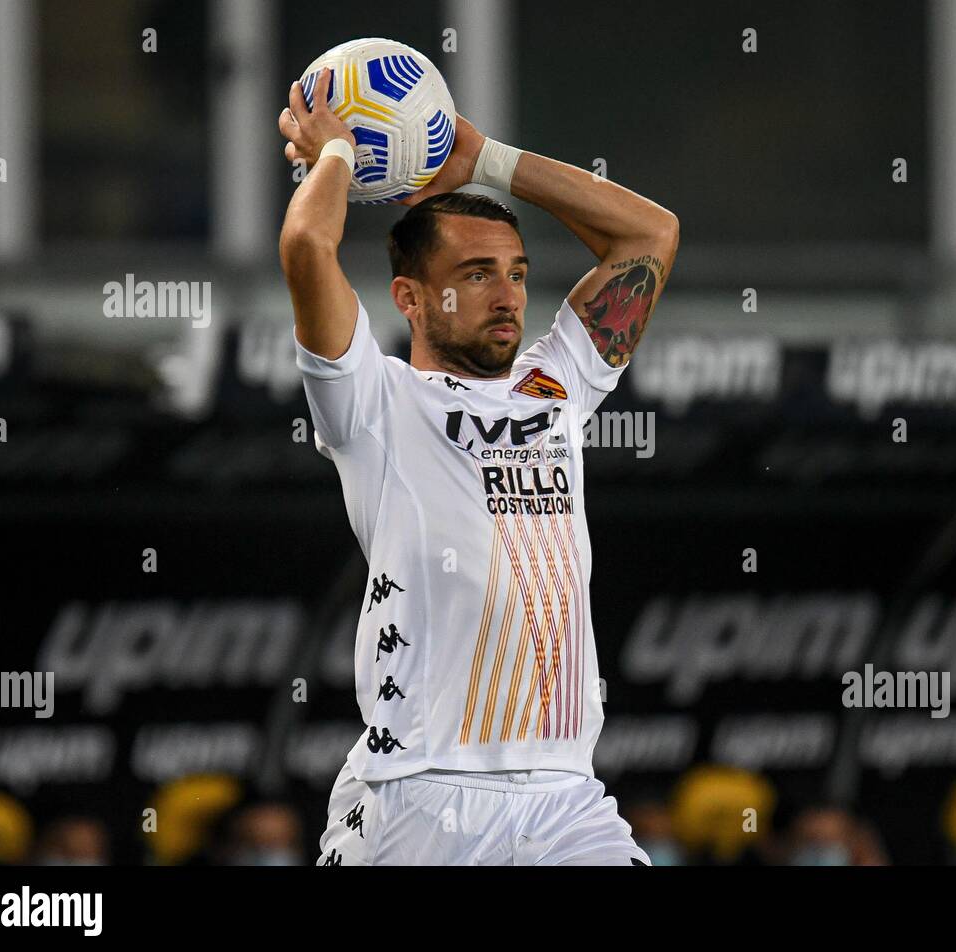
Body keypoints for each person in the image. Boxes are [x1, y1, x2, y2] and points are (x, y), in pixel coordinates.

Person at [278, 68, 678, 865]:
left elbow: (649, 236)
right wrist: (336, 160)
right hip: (417, 796)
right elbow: (305, 244)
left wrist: (488, 158)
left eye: (518, 272)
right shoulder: (373, 404)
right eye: (475, 275)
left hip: (566, 801)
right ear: (411, 299)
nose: (507, 296)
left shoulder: (554, 390)